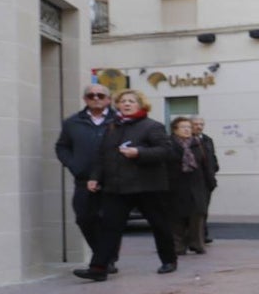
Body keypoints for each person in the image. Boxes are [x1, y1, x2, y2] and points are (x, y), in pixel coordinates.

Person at [73, 89, 178, 281]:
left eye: (131, 101)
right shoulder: (112, 127)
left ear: (141, 105)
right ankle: (98, 268)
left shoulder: (152, 126)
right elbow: (102, 156)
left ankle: (169, 260)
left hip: (148, 187)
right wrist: (95, 177)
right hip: (117, 187)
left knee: (159, 224)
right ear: (118, 105)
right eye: (123, 101)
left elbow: (166, 151)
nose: (127, 104)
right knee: (108, 227)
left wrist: (139, 152)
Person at [55, 84, 118, 272]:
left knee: (110, 220)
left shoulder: (119, 121)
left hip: (112, 179)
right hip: (83, 179)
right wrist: (73, 164)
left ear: (108, 99)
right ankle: (102, 254)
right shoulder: (72, 122)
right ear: (85, 99)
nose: (96, 98)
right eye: (91, 95)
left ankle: (106, 259)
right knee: (84, 218)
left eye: (100, 95)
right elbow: (62, 147)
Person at [167, 117, 215, 255]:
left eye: (189, 127)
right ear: (175, 130)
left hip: (197, 185)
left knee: (197, 215)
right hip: (175, 186)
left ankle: (197, 244)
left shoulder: (198, 144)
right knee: (177, 218)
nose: (187, 129)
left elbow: (207, 164)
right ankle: (179, 246)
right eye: (183, 127)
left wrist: (210, 183)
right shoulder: (169, 144)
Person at [191, 117, 218, 244]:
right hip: (193, 180)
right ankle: (195, 236)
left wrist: (214, 169)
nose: (199, 126)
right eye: (196, 124)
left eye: (201, 124)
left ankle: (203, 234)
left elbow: (212, 157)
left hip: (207, 180)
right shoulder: (187, 140)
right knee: (194, 209)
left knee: (204, 209)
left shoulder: (207, 140)